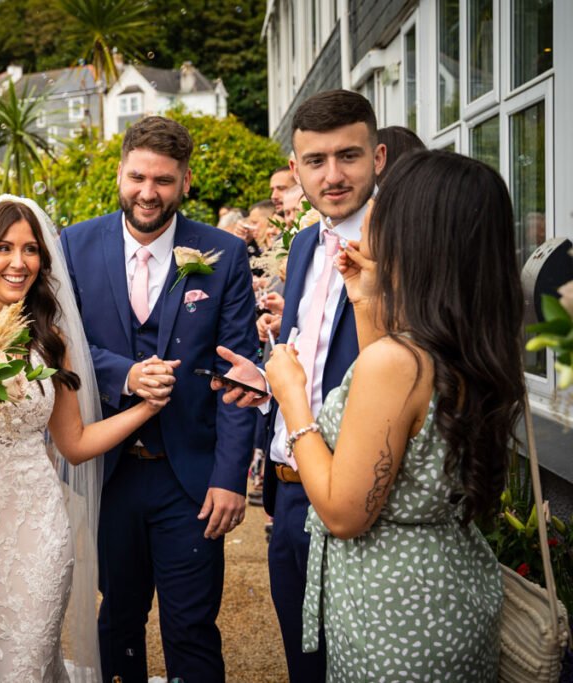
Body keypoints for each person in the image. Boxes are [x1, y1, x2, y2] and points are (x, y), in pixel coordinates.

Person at [266, 149, 518, 679]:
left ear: (415, 230)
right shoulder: (471, 346)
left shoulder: (398, 362)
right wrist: (366, 302)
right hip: (449, 592)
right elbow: (392, 419)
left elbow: (343, 512)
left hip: (393, 613)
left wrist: (292, 398)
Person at [0, 196, 171, 681]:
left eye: (30, 250)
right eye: (4, 248)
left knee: (25, 662)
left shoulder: (51, 341)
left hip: (34, 528)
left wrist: (143, 410)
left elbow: (74, 443)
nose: (18, 262)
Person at [61, 116, 259, 681]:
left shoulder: (222, 252)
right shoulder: (74, 246)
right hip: (108, 473)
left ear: (186, 181)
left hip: (190, 477)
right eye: (138, 177)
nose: (148, 193)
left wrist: (230, 476)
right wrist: (125, 375)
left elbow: (241, 373)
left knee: (192, 627)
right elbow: (59, 344)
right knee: (117, 619)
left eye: (164, 181)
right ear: (120, 173)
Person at [214, 89, 384, 683]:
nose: (332, 176)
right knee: (303, 667)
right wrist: (267, 385)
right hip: (286, 493)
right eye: (316, 161)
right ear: (295, 168)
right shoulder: (307, 241)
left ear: (379, 158)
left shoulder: (404, 245)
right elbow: (307, 357)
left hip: (354, 492)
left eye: (349, 156)